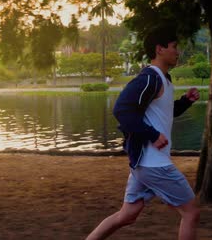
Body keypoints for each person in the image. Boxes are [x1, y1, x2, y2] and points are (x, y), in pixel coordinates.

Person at [86, 27, 201, 240]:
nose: (178, 51)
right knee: (191, 212)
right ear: (159, 49)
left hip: (144, 164)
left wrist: (185, 102)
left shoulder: (164, 79)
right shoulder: (149, 78)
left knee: (127, 215)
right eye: (174, 47)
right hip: (153, 164)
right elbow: (121, 109)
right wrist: (152, 135)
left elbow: (163, 113)